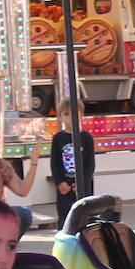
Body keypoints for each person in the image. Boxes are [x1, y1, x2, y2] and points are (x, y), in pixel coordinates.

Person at [51, 98, 96, 229]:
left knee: (84, 216)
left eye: (74, 114)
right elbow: (54, 163)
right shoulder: (58, 138)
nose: (70, 118)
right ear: (60, 117)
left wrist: (83, 183)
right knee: (65, 216)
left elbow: (90, 164)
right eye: (66, 114)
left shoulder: (86, 138)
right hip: (64, 187)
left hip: (82, 187)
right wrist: (59, 182)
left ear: (81, 115)